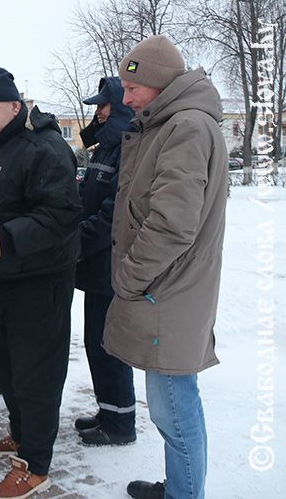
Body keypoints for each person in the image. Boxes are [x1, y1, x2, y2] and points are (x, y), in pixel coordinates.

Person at [106, 35, 227, 499]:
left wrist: (129, 278)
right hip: (167, 290)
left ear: (158, 82)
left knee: (174, 409)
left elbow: (173, 224)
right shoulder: (172, 123)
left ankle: (183, 494)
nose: (126, 96)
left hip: (168, 292)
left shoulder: (187, 127)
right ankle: (179, 487)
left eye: (132, 86)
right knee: (169, 407)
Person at [0, 68, 81, 498]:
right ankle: (21, 433)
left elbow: (62, 215)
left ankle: (36, 464)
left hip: (40, 280)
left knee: (36, 376)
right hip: (0, 280)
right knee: (6, 369)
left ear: (15, 104)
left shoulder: (45, 147)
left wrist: (6, 239)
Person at [74, 76, 138, 446]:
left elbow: (115, 212)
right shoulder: (105, 148)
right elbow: (91, 195)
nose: (97, 112)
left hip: (110, 264)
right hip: (95, 264)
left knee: (110, 347)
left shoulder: (126, 149)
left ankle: (121, 424)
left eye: (103, 105)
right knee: (96, 343)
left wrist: (78, 240)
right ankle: (108, 410)